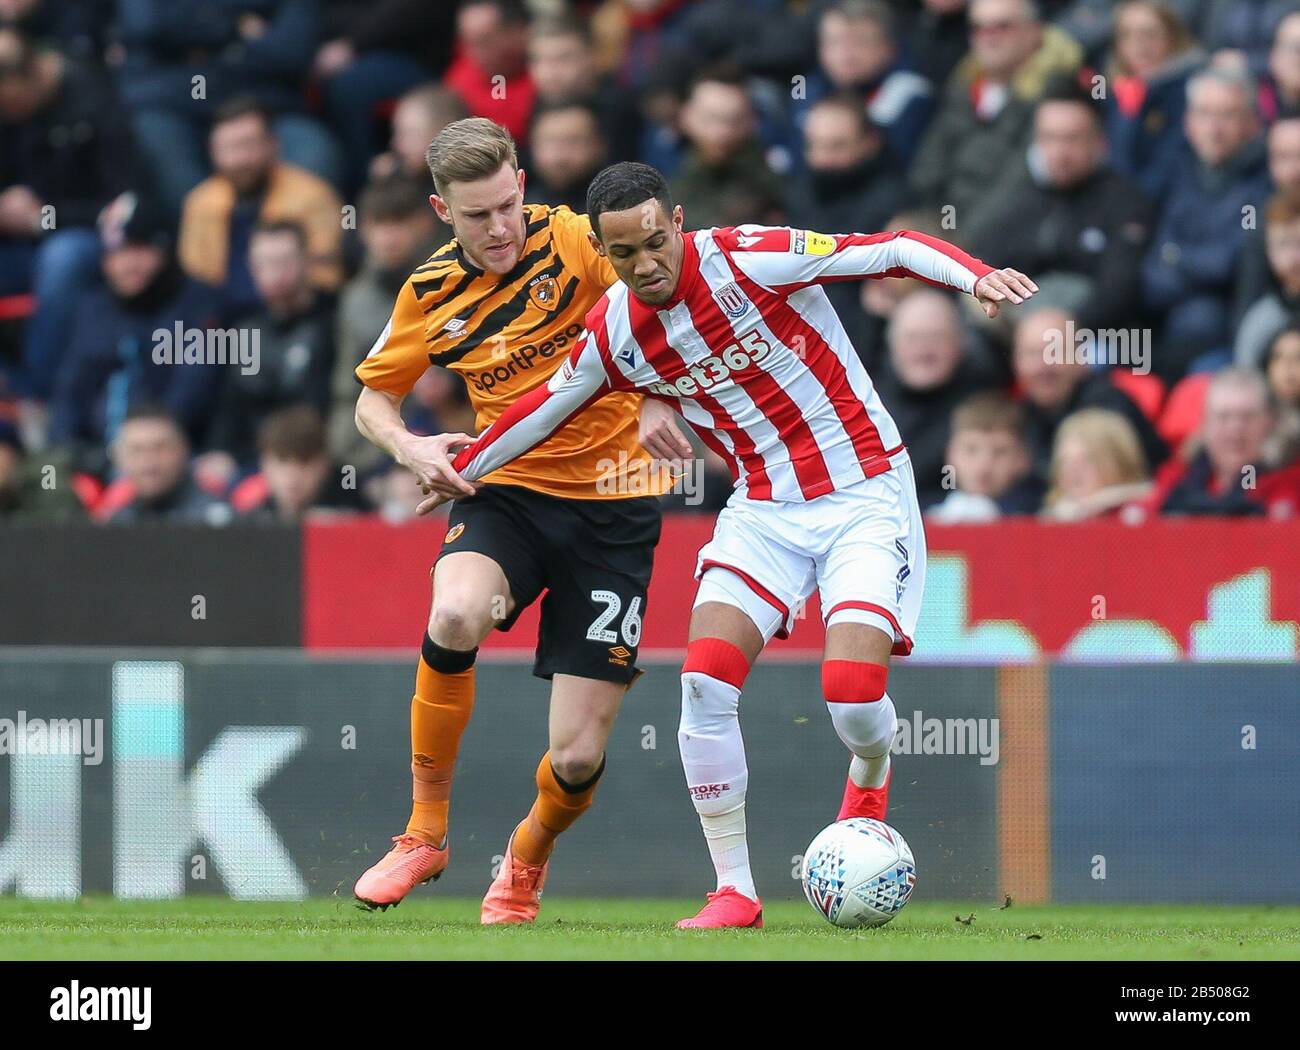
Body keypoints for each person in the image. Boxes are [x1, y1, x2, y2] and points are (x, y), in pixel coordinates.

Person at [421, 161, 1037, 928]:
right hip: (764, 510)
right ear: (604, 254)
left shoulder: (752, 256)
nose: (645, 265)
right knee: (705, 683)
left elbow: (891, 247)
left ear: (677, 223)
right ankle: (736, 890)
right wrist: (460, 467)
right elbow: (543, 407)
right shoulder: (616, 329)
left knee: (849, 692)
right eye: (623, 254)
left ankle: (870, 772)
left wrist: (974, 280)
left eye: (655, 243)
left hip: (863, 492)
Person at [350, 119, 682, 924]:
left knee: (575, 756)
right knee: (457, 610)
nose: (497, 229)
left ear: (523, 186)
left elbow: (668, 299)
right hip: (510, 492)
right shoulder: (428, 292)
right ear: (441, 210)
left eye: (505, 206)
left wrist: (661, 397)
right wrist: (409, 446)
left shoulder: (574, 240)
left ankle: (527, 857)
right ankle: (424, 832)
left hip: (615, 507)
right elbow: (372, 398)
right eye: (475, 216)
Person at [178, 97, 344, 318]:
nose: (240, 159)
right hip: (223, 323)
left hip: (294, 318)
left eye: (248, 144)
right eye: (228, 148)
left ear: (273, 144)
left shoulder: (313, 197)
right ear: (212, 152)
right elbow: (195, 279)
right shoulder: (199, 203)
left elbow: (327, 277)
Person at [105, 405, 232, 526]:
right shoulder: (117, 520)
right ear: (120, 459)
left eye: (160, 448)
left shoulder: (214, 519)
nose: (148, 462)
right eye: (136, 450)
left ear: (183, 450)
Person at [927, 391, 1040, 522]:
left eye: (999, 452)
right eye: (971, 450)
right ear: (950, 454)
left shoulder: (1045, 516)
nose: (983, 466)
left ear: (1023, 459)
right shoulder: (920, 514)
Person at [1040, 407, 1153, 520]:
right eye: (1065, 460)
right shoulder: (1052, 518)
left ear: (1119, 461)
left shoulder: (1142, 516)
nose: (1073, 469)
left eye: (1087, 459)